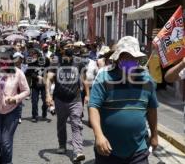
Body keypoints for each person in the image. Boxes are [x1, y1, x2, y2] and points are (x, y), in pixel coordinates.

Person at [89, 36, 158, 164]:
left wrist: (154, 135)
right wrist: (99, 135)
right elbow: (93, 107)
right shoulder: (104, 77)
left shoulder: (147, 80)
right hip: (107, 149)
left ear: (138, 59)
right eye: (125, 57)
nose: (129, 61)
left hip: (138, 150)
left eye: (133, 58)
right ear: (118, 58)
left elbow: (152, 109)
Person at [0, 46, 30, 164]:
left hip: (12, 111)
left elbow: (26, 91)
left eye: (6, 59)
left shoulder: (18, 73)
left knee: (6, 142)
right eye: (1, 59)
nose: (3, 62)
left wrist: (15, 98)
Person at [45, 39, 86, 162]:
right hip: (60, 99)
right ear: (61, 49)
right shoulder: (56, 61)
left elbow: (84, 79)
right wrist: (48, 95)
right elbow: (49, 78)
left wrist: (88, 94)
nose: (70, 48)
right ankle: (62, 144)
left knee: (76, 124)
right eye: (68, 46)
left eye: (72, 46)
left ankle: (78, 151)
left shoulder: (78, 61)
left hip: (75, 99)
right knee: (61, 124)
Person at [26, 48, 48, 123]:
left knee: (45, 101)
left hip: (44, 85)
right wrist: (36, 76)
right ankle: (34, 115)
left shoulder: (45, 61)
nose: (32, 57)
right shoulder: (30, 63)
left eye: (34, 55)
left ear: (37, 55)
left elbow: (49, 70)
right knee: (34, 102)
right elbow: (28, 73)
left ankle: (44, 111)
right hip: (35, 85)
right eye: (31, 55)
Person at [13, 52, 27, 124]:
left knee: (19, 102)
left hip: (20, 87)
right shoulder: (11, 67)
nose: (18, 60)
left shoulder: (25, 67)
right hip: (12, 86)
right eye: (16, 58)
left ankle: (19, 116)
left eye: (20, 58)